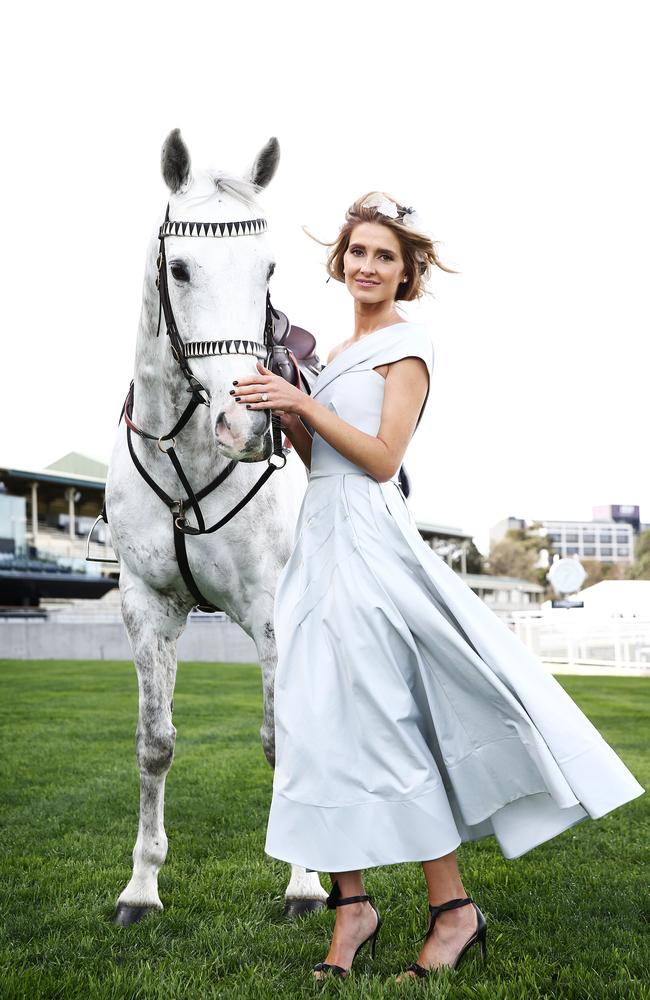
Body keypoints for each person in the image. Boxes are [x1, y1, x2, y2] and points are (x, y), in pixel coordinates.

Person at [230, 191, 645, 982]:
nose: (368, 266)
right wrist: (282, 407)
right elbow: (321, 460)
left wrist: (302, 401)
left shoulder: (408, 347)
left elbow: (384, 459)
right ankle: (352, 907)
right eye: (358, 252)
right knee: (316, 721)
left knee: (385, 721)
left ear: (407, 270)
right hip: (317, 544)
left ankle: (454, 912)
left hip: (371, 544)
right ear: (340, 260)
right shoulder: (330, 357)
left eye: (386, 255)